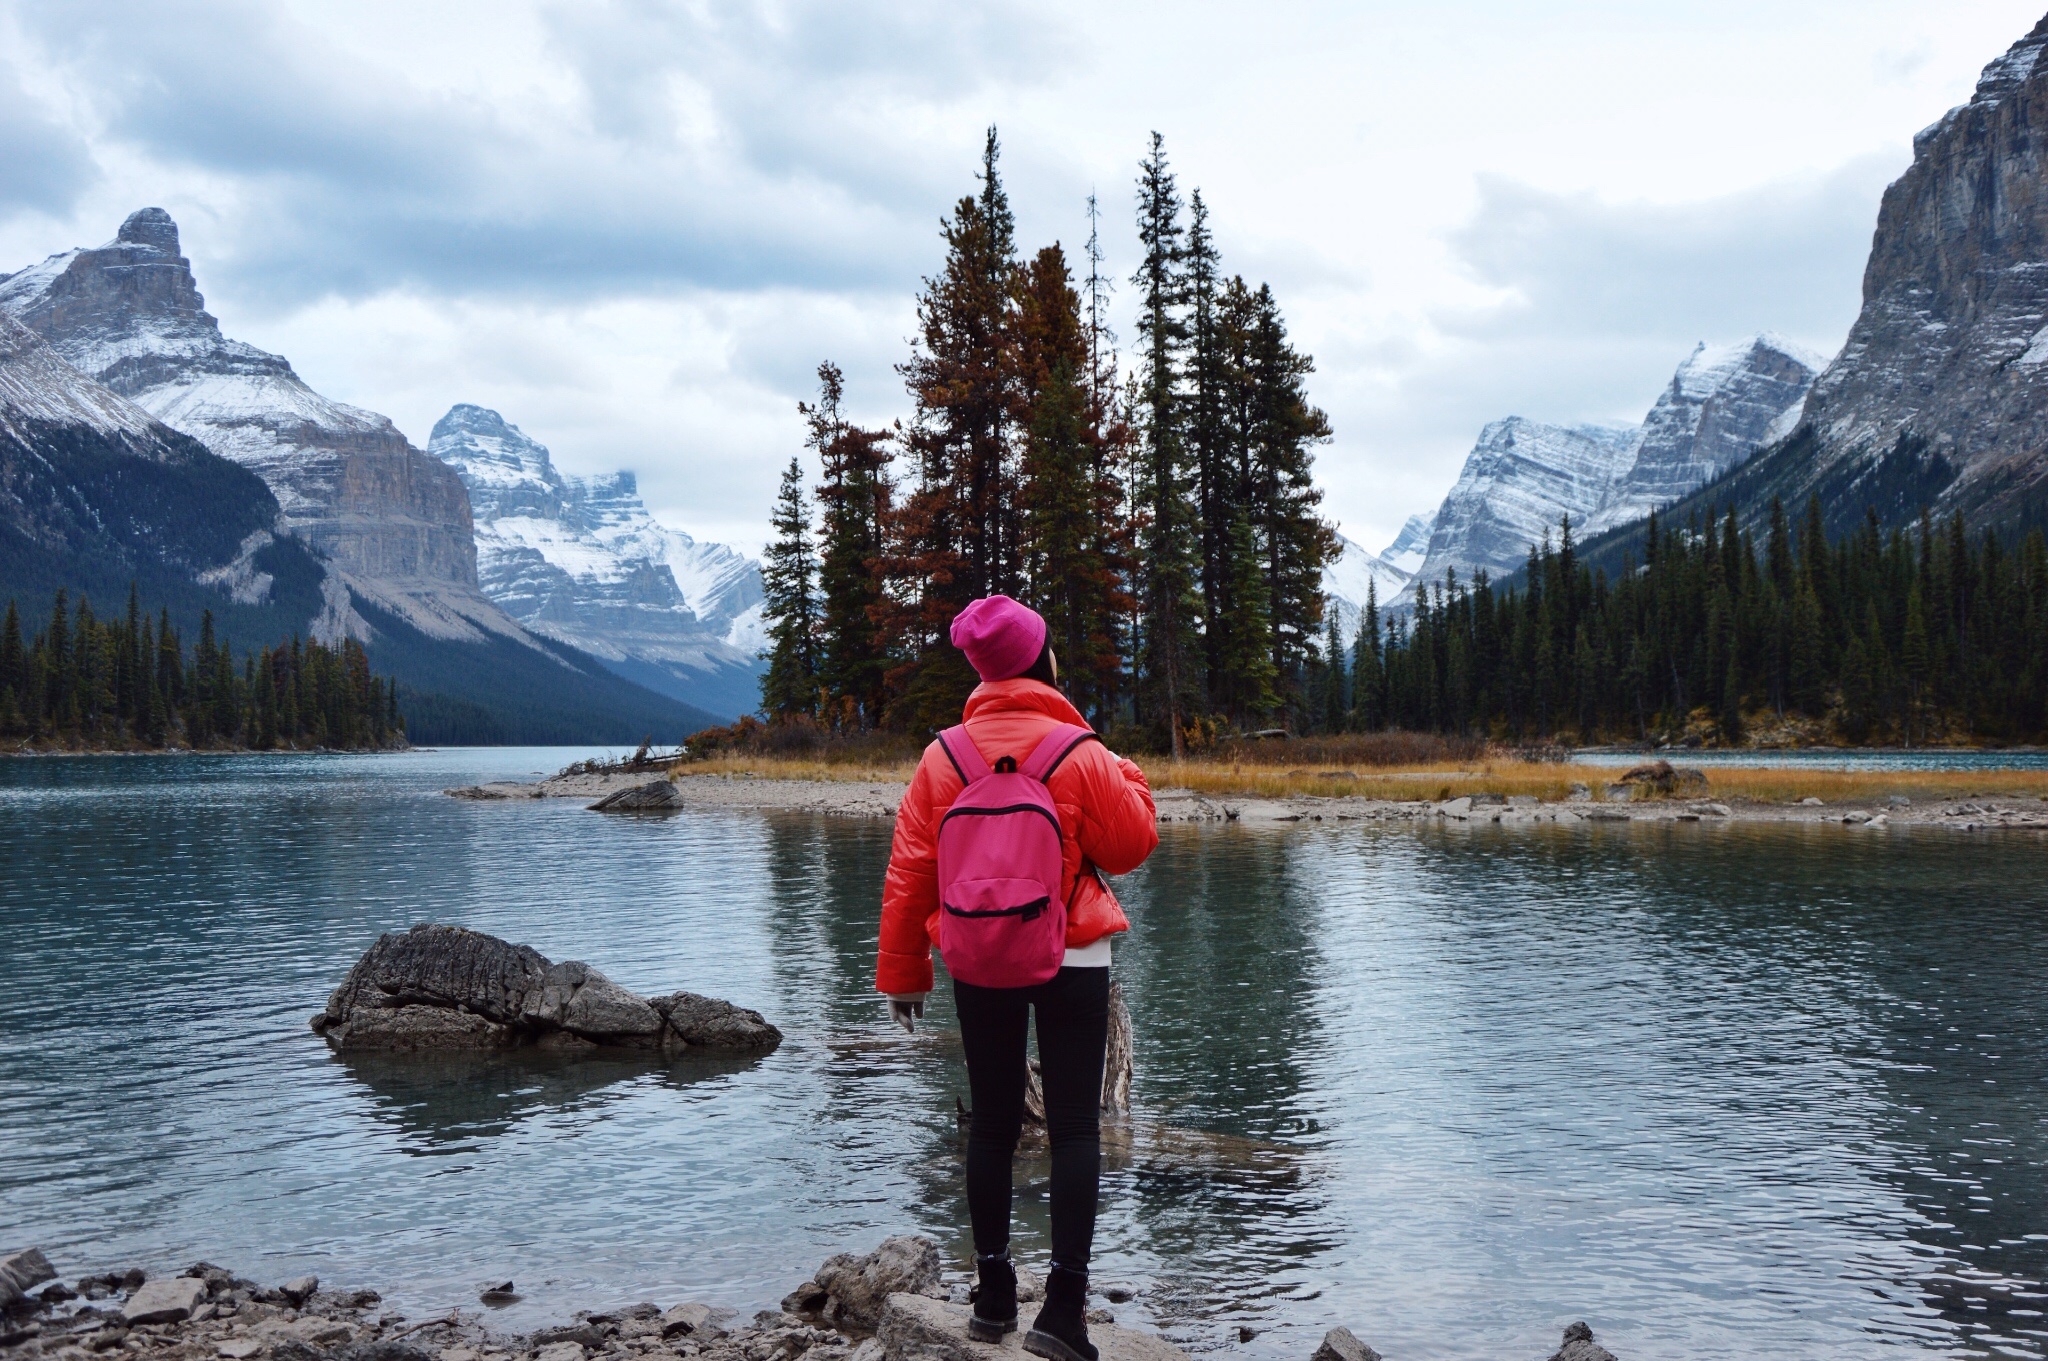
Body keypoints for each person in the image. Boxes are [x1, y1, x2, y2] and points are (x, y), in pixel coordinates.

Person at [877, 595, 1159, 1361]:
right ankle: (1062, 1312)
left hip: (979, 954)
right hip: (1073, 951)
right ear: (1042, 662)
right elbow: (1133, 843)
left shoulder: (945, 755)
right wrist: (1125, 769)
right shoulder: (1079, 750)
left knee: (993, 1124)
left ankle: (993, 1296)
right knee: (1072, 1127)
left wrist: (904, 973)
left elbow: (910, 867)